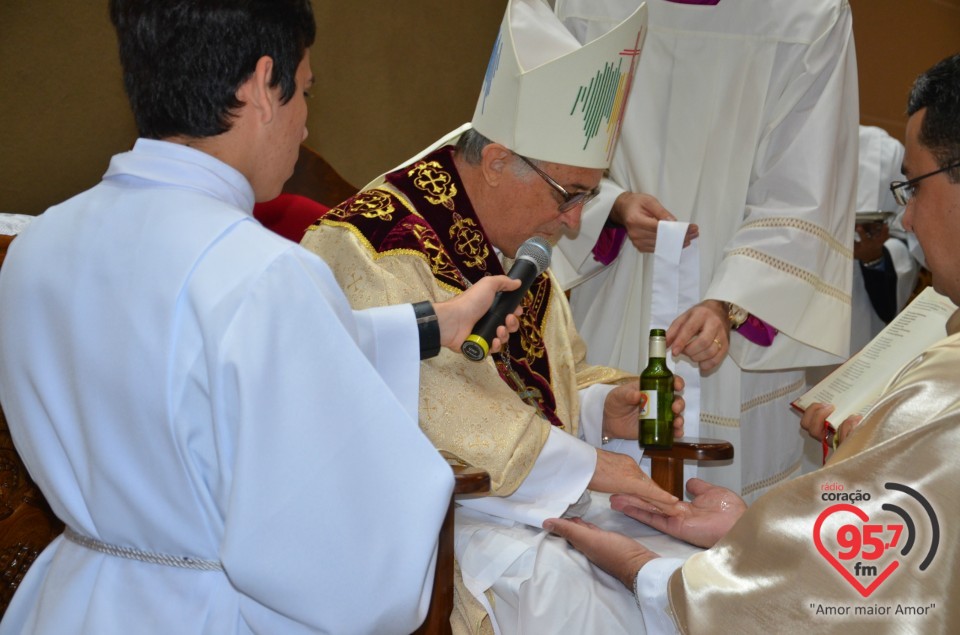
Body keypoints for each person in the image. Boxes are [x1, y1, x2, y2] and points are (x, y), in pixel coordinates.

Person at [0, 1, 524, 633]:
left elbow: (185, 356)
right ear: (260, 85)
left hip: (77, 601)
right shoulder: (266, 273)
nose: (305, 125)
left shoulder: (38, 246)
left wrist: (433, 323)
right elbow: (352, 568)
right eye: (303, 91)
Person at [300, 1, 689, 632]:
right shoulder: (369, 242)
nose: (574, 222)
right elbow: (439, 409)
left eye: (588, 197)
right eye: (570, 196)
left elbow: (557, 375)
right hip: (444, 519)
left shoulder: (516, 240)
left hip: (542, 497)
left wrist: (601, 407)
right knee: (580, 602)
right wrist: (594, 466)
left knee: (684, 574)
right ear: (499, 159)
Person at [544, 53, 960, 634]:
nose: (906, 220)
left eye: (911, 187)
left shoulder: (941, 400)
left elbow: (851, 591)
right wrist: (747, 533)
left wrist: (651, 575)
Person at [551, 0, 859, 502]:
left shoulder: (807, 15)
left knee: (728, 538)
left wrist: (728, 303)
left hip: (734, 330)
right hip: (608, 291)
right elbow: (542, 143)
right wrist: (610, 204)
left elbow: (806, 189)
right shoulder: (587, 6)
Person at [850, 126, 923, 354]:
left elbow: (912, 239)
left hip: (857, 321)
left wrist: (875, 258)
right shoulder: (779, 142)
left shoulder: (883, 152)